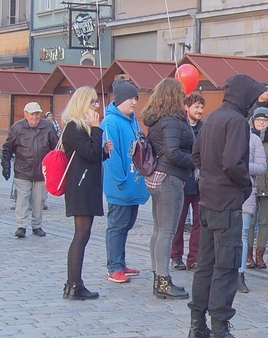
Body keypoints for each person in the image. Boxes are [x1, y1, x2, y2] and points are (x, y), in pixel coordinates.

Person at [188, 74, 265, 338]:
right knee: (226, 267)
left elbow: (196, 155)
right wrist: (244, 183)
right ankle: (219, 331)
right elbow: (234, 162)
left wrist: (209, 178)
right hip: (227, 204)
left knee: (205, 266)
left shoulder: (213, 117)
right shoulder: (236, 121)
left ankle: (197, 326)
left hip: (208, 201)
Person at [143, 78, 195, 301]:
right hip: (169, 177)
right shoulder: (171, 121)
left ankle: (158, 275)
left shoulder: (156, 119)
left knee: (159, 229)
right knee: (167, 231)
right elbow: (173, 152)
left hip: (159, 176)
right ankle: (163, 279)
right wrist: (195, 161)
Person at [60, 87, 113, 300]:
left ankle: (75, 283)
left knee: (84, 235)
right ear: (82, 103)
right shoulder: (74, 127)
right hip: (79, 187)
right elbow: (89, 153)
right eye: (92, 102)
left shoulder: (82, 128)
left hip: (87, 185)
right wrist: (96, 129)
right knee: (81, 235)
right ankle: (73, 284)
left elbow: (91, 155)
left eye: (96, 102)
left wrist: (104, 152)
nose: (96, 106)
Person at [99, 79, 149, 284]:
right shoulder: (110, 122)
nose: (134, 102)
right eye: (131, 98)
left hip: (134, 184)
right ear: (120, 99)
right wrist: (120, 181)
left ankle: (121, 261)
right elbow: (112, 156)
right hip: (121, 186)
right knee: (117, 226)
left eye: (136, 98)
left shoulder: (133, 120)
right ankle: (114, 266)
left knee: (127, 225)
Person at [2, 101, 58, 238]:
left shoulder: (48, 127)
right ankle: (21, 226)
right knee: (23, 198)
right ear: (26, 114)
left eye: (37, 113)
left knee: (39, 200)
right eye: (32, 114)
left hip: (41, 171)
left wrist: (55, 170)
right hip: (22, 170)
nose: (35, 116)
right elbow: (7, 148)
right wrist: (6, 166)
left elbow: (55, 149)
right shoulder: (17, 127)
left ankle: (37, 226)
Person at [171, 93, 205, 272]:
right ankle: (176, 256)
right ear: (186, 107)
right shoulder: (179, 126)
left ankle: (194, 258)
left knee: (199, 222)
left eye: (201, 107)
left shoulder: (205, 128)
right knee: (179, 221)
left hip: (200, 181)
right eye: (196, 107)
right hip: (183, 179)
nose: (199, 111)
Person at [246, 107, 268, 270]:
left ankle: (260, 256)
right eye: (258, 120)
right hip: (251, 184)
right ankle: (248, 255)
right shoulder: (246, 137)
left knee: (264, 222)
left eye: (264, 120)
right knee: (250, 222)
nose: (261, 123)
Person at [238, 123, 267, 293]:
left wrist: (239, 165)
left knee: (243, 233)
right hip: (223, 191)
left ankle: (240, 274)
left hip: (246, 190)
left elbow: (261, 167)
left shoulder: (254, 139)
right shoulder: (224, 135)